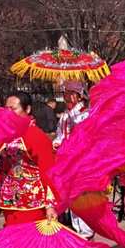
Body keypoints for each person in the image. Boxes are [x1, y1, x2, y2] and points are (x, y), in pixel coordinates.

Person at [0, 92, 58, 227]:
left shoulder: (36, 135)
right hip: (9, 202)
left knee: (29, 242)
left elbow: (49, 171)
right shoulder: (4, 135)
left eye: (13, 109)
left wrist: (50, 205)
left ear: (27, 109)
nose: (8, 113)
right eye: (6, 109)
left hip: (32, 203)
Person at [52, 81, 95, 239]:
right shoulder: (64, 115)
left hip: (82, 161)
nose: (66, 97)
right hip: (66, 160)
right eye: (65, 93)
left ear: (78, 96)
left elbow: (83, 130)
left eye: (70, 93)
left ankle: (86, 229)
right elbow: (60, 134)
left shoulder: (85, 112)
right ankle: (76, 227)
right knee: (69, 195)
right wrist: (56, 143)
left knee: (81, 195)